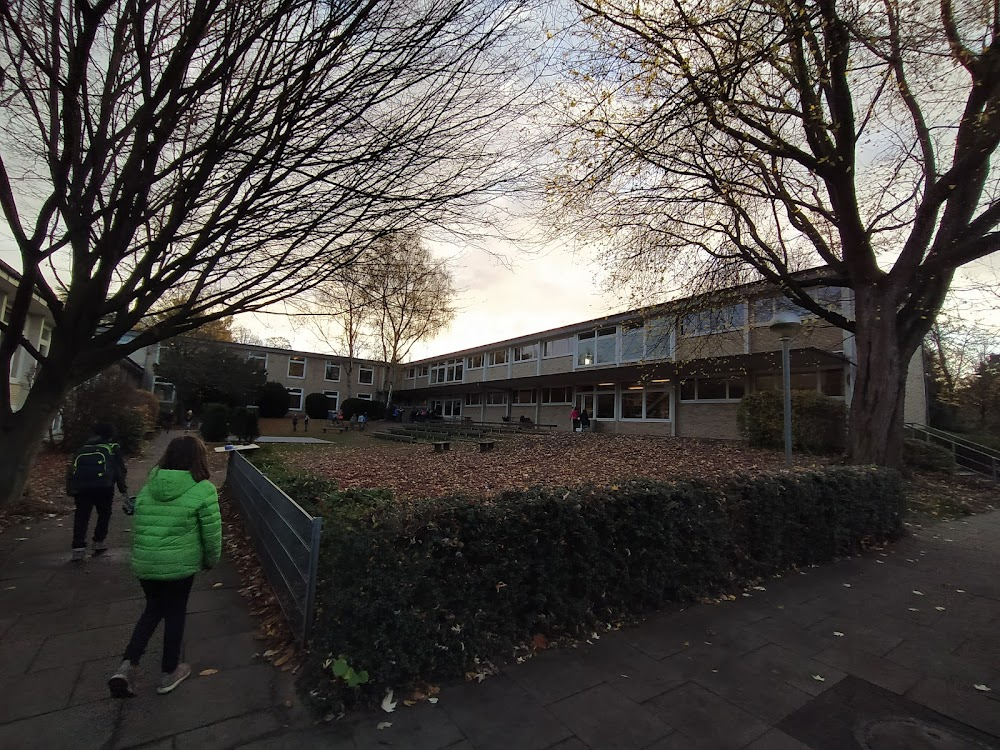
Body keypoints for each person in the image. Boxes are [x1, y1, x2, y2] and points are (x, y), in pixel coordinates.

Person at [108, 435, 222, 698]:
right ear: (199, 458)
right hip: (179, 565)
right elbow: (212, 533)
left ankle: (127, 665)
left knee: (152, 610)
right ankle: (169, 671)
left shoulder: (150, 486)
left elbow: (141, 523)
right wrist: (211, 560)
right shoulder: (203, 489)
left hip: (147, 562)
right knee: (175, 614)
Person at [66, 423, 128, 562]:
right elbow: (119, 470)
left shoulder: (83, 448)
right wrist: (123, 489)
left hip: (82, 487)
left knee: (81, 516)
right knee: (104, 513)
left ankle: (78, 547)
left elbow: (71, 470)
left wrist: (70, 487)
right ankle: (98, 541)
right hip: (104, 486)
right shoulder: (112, 448)